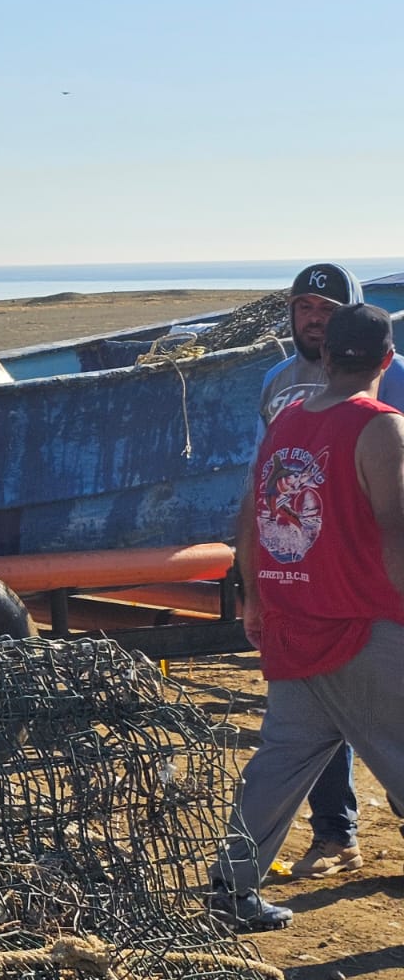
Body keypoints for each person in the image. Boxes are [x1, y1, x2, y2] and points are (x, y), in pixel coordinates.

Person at [210, 302, 404, 932]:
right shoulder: (382, 428)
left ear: (324, 355)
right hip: (364, 628)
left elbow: (251, 515)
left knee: (282, 760)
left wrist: (257, 597)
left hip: (294, 623)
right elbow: (396, 535)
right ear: (386, 359)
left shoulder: (289, 419)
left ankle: (233, 889)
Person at [256, 263, 404, 879]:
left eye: (325, 308)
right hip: (353, 607)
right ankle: (335, 835)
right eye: (303, 307)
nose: (312, 318)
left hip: (321, 604)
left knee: (280, 757)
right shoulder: (282, 392)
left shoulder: (308, 410)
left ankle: (232, 883)